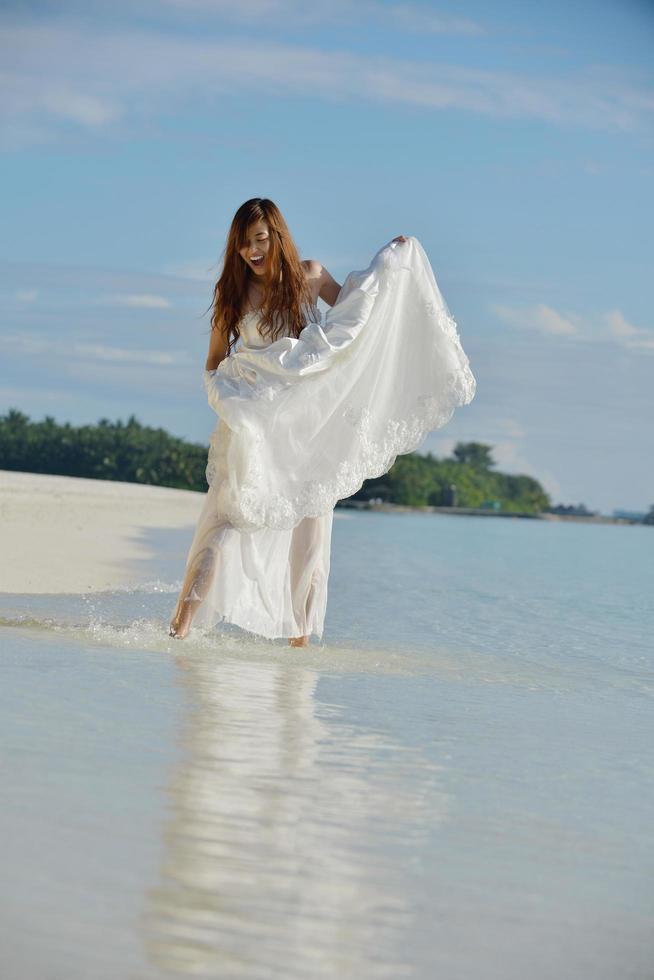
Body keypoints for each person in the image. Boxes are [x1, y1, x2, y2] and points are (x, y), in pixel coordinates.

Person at [169, 197, 476, 645]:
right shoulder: (234, 295)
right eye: (242, 244)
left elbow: (360, 309)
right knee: (227, 522)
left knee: (310, 534)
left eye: (259, 240)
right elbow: (213, 364)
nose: (251, 252)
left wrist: (391, 262)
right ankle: (181, 626)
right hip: (253, 423)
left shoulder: (309, 275)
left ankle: (300, 644)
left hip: (307, 427)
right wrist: (232, 402)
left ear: (277, 236)